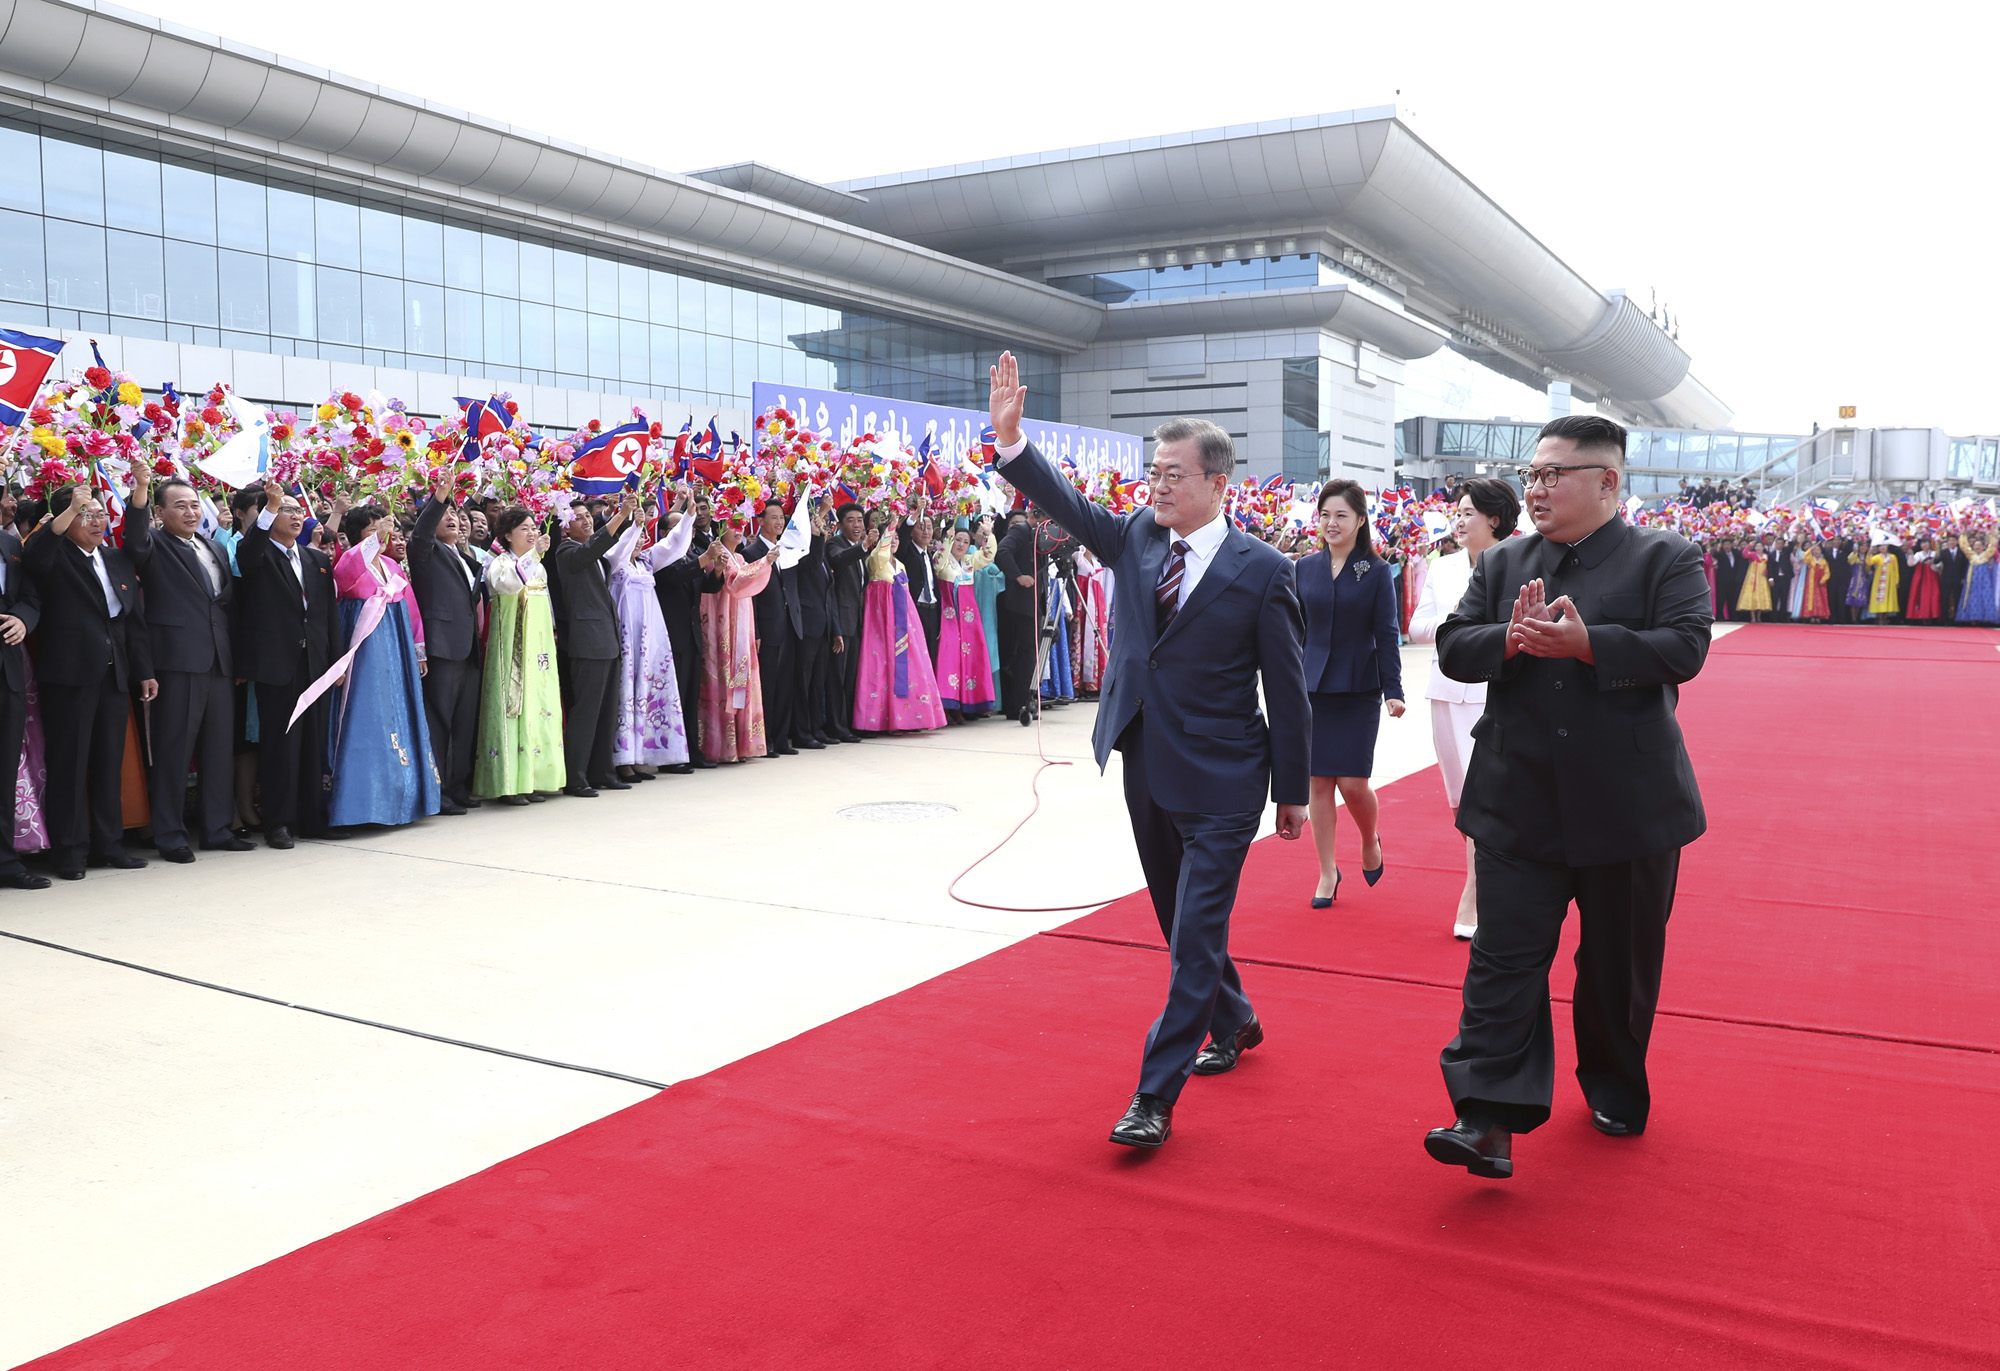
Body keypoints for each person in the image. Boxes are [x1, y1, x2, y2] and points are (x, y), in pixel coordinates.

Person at [987, 352, 1311, 1151]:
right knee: (1178, 922)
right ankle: (1234, 1016)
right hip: (1146, 761)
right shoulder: (1132, 536)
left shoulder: (1265, 572)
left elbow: (1289, 689)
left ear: (1216, 482)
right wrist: (1012, 440)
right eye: (1152, 471)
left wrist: (1293, 791)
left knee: (1194, 934)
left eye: (1173, 473)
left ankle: (1153, 1098)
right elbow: (1064, 499)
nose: (1157, 486)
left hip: (1229, 777)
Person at [1426, 413, 1711, 1180]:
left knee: (1616, 966)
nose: (1538, 487)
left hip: (1630, 806)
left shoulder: (1665, 558)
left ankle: (1614, 1083)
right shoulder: (1504, 560)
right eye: (1534, 473)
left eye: (1556, 474)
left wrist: (1590, 644)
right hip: (1518, 798)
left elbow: (1687, 648)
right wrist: (1510, 642)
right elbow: (1455, 645)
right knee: (1502, 959)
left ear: (1608, 480)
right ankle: (1485, 1115)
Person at [23, 484, 158, 878]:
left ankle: (108, 844)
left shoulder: (115, 560)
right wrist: (68, 513)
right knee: (69, 763)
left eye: (100, 514)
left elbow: (133, 622)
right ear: (66, 520)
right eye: (86, 513)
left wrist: (144, 670)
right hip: (70, 676)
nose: (97, 521)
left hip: (114, 673)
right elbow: (35, 556)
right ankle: (69, 851)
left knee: (107, 763)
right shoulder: (54, 556)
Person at [1408, 477, 1518, 939]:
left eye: (1469, 511)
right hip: (1447, 690)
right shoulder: (1444, 566)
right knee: (1459, 801)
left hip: (1498, 693)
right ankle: (1486, 878)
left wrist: (1477, 630)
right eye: (1458, 510)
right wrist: (1458, 619)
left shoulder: (1519, 562)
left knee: (1487, 798)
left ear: (1494, 519)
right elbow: (1416, 628)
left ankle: (1476, 891)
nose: (1459, 518)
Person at [121, 462, 249, 862]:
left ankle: (216, 829)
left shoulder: (212, 546)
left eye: (195, 505)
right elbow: (134, 540)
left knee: (217, 750)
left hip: (218, 662)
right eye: (180, 506)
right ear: (161, 512)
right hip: (176, 663)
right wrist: (142, 488)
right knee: (174, 751)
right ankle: (170, 834)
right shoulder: (154, 544)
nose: (191, 512)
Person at [1295, 480, 1404, 906]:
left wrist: (1393, 689)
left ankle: (1369, 838)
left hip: (1359, 687)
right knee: (1318, 782)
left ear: (1360, 520)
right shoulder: (1304, 567)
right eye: (1324, 515)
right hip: (1312, 687)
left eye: (1341, 515)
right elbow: (1293, 631)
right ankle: (1327, 872)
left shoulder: (1375, 571)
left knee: (1353, 782)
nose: (1331, 523)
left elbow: (1387, 633)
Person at [323, 505, 442, 828]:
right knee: (368, 714)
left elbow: (412, 609)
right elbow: (347, 578)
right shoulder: (348, 561)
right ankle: (363, 803)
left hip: (397, 648)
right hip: (366, 653)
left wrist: (418, 650)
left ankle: (406, 797)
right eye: (373, 528)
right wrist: (376, 538)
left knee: (402, 714)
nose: (383, 533)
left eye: (384, 527)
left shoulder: (392, 566)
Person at [236, 484, 340, 848]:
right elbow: (248, 552)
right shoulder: (258, 554)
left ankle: (312, 817)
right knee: (281, 746)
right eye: (287, 510)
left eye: (299, 511)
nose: (296, 516)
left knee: (315, 743)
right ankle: (277, 822)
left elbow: (328, 617)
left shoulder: (317, 561)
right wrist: (271, 505)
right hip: (278, 665)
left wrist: (337, 663)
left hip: (316, 665)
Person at [473, 511, 564, 805]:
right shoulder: (500, 563)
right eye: (524, 528)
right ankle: (510, 782)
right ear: (508, 535)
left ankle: (535, 778)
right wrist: (533, 555)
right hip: (512, 646)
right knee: (514, 704)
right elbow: (508, 586)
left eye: (534, 527)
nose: (532, 533)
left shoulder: (538, 567)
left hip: (539, 648)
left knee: (540, 703)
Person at [406, 482, 486, 814]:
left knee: (464, 723)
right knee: (439, 723)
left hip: (467, 648)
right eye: (446, 513)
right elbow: (422, 532)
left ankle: (458, 786)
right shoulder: (426, 549)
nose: (453, 517)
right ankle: (436, 792)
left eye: (456, 512)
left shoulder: (464, 556)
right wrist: (439, 498)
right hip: (442, 647)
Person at [551, 492, 637, 796]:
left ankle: (603, 770)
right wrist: (620, 515)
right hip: (588, 644)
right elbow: (593, 547)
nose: (586, 520)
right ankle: (576, 776)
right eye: (579, 518)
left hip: (607, 642)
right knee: (585, 712)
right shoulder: (567, 553)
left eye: (589, 516)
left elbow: (603, 547)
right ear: (564, 526)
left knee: (606, 712)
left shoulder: (596, 556)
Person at [605, 493, 695, 778]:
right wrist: (632, 522)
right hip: (626, 637)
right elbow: (620, 549)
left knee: (648, 692)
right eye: (637, 533)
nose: (642, 538)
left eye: (644, 533)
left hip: (650, 639)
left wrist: (689, 515)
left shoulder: (645, 561)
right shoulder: (614, 561)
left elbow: (673, 546)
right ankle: (621, 760)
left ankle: (641, 755)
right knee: (626, 693)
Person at [853, 520, 948, 734]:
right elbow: (881, 554)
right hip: (883, 624)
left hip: (905, 623)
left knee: (913, 667)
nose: (894, 541)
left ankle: (911, 717)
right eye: (890, 537)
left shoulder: (900, 565)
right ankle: (886, 720)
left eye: (897, 537)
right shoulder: (876, 560)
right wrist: (893, 525)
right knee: (884, 667)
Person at [697, 515, 774, 763]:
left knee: (741, 678)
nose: (739, 531)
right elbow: (736, 583)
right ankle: (722, 745)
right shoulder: (716, 558)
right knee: (723, 678)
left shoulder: (740, 558)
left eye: (741, 526)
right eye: (733, 526)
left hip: (741, 627)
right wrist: (765, 562)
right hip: (722, 626)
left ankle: (742, 743)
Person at [0, 511, 45, 889]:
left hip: (7, 667)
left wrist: (22, 619)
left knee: (4, 769)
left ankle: (6, 861)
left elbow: (31, 597)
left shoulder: (11, 543)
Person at [742, 500, 805, 757]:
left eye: (781, 518)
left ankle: (781, 739)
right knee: (767, 685)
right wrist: (755, 630)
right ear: (760, 521)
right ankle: (764, 740)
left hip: (790, 624)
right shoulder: (751, 552)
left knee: (786, 685)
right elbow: (752, 596)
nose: (779, 522)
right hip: (767, 627)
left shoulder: (787, 549)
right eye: (773, 517)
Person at [934, 517, 999, 720]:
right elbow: (938, 563)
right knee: (949, 658)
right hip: (949, 617)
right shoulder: (942, 561)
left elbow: (987, 556)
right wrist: (947, 540)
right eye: (958, 540)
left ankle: (965, 704)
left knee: (969, 660)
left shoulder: (969, 562)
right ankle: (947, 703)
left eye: (966, 542)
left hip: (969, 620)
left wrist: (988, 534)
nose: (961, 545)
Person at [822, 504, 871, 744]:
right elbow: (838, 561)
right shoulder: (836, 545)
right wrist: (863, 546)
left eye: (860, 520)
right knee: (836, 679)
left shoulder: (860, 549)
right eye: (850, 520)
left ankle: (851, 724)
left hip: (858, 623)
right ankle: (836, 726)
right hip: (841, 624)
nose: (856, 525)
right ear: (840, 525)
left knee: (852, 677)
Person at [994, 508, 1039, 723]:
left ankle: (1025, 701)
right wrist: (1018, 576)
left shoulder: (1034, 534)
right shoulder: (1021, 530)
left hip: (1031, 602)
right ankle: (1018, 704)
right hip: (1020, 603)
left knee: (1029, 654)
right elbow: (1002, 551)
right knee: (1024, 654)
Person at [897, 511, 945, 668]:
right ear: (912, 531)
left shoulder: (928, 554)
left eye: (929, 527)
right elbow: (902, 537)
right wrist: (915, 515)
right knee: (915, 657)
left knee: (930, 656)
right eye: (921, 527)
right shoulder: (906, 551)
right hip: (915, 610)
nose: (926, 532)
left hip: (932, 611)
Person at [1735, 538, 1772, 622]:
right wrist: (1749, 545)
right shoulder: (1752, 554)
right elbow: (1744, 554)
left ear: (1763, 547)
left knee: (1762, 594)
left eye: (1760, 546)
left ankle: (1759, 615)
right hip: (1753, 577)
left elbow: (1769, 566)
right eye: (1757, 546)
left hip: (1762, 578)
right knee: (1752, 594)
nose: (1758, 548)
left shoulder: (1766, 555)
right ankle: (1753, 616)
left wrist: (1767, 571)